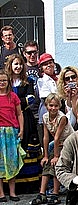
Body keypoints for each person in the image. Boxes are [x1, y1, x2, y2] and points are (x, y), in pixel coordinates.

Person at [6, 54, 42, 194]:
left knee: (26, 147)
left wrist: (12, 103)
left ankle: (29, 184)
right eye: (16, 64)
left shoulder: (28, 81)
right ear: (10, 65)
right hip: (8, 118)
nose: (18, 67)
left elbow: (31, 99)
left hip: (25, 118)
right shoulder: (6, 81)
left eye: (20, 64)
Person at [31, 94, 74, 205]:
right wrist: (45, 155)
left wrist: (56, 156)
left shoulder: (62, 117)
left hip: (67, 142)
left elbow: (57, 137)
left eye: (56, 106)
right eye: (51, 105)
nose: (53, 108)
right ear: (46, 106)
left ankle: (55, 192)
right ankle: (42, 193)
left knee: (56, 164)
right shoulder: (45, 117)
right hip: (56, 144)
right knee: (47, 163)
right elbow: (46, 137)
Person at [0, 70, 24, 202]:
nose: (2, 83)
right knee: (0, 163)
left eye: (4, 80)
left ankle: (12, 192)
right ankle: (1, 193)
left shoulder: (13, 96)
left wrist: (21, 130)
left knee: (12, 161)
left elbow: (19, 114)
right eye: (0, 81)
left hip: (11, 131)